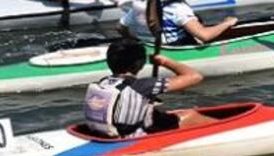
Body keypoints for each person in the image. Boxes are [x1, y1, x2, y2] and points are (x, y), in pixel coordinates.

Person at [83, 39, 217, 138]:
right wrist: (165, 62)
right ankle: (227, 132)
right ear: (139, 65)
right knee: (190, 115)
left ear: (109, 62)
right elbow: (195, 76)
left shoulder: (104, 82)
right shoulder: (143, 86)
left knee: (171, 114)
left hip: (105, 132)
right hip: (133, 138)